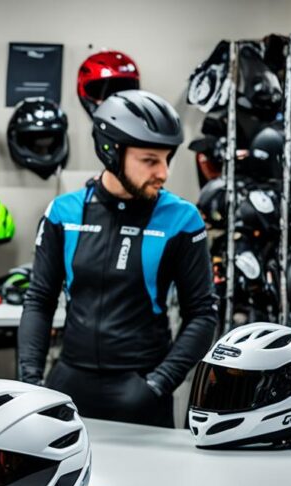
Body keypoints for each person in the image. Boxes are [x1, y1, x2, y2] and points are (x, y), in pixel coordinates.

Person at [18, 90, 218, 428]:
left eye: (167, 159)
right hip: (68, 385)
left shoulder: (182, 219)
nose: (164, 172)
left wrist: (159, 383)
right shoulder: (62, 212)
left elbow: (202, 313)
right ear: (111, 151)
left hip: (141, 391)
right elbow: (39, 299)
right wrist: (31, 381)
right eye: (150, 160)